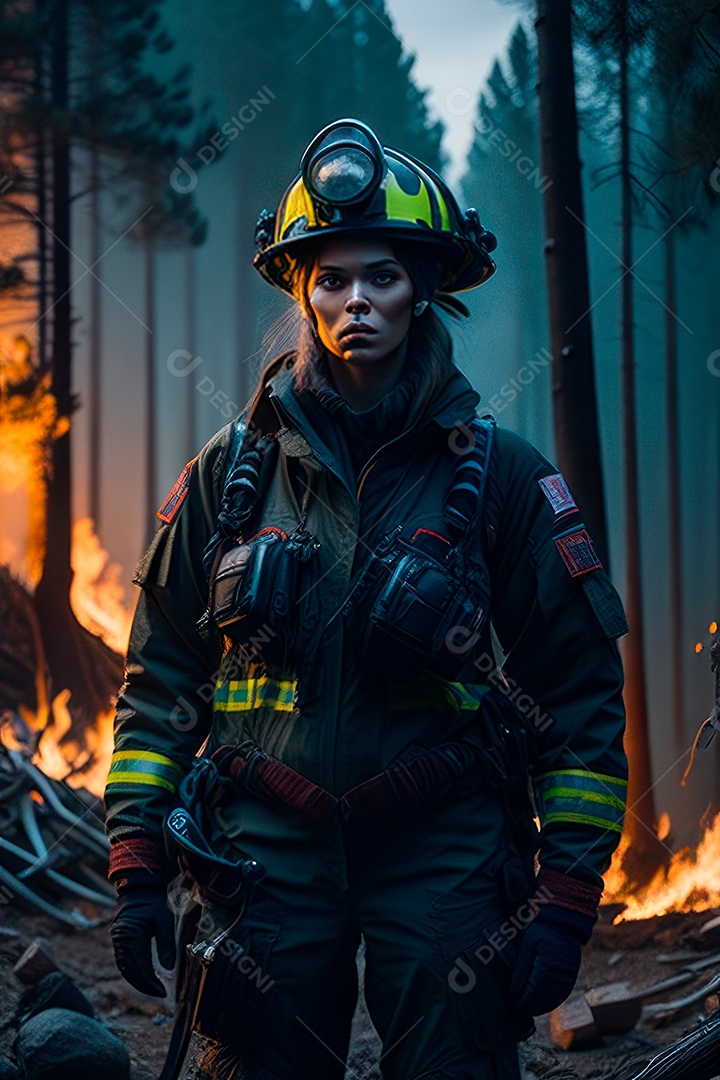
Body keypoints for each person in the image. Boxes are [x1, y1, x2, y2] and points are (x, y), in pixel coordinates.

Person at [105, 119, 629, 1080]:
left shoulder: (505, 480)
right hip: (262, 854)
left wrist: (565, 893)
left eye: (382, 277)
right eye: (332, 278)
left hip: (445, 855)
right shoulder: (229, 476)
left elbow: (578, 691)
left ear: (425, 286)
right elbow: (162, 671)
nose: (358, 302)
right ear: (302, 292)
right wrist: (137, 855)